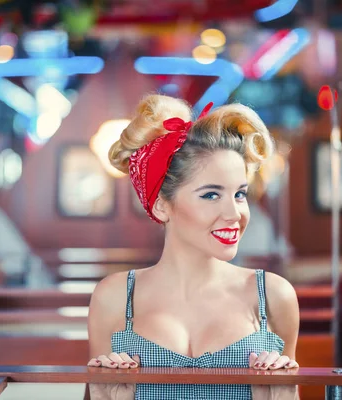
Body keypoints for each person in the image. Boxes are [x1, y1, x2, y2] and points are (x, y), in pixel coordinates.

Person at [87, 94, 300, 399]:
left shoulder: (273, 296)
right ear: (161, 206)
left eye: (239, 194)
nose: (234, 214)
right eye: (211, 195)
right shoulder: (114, 298)